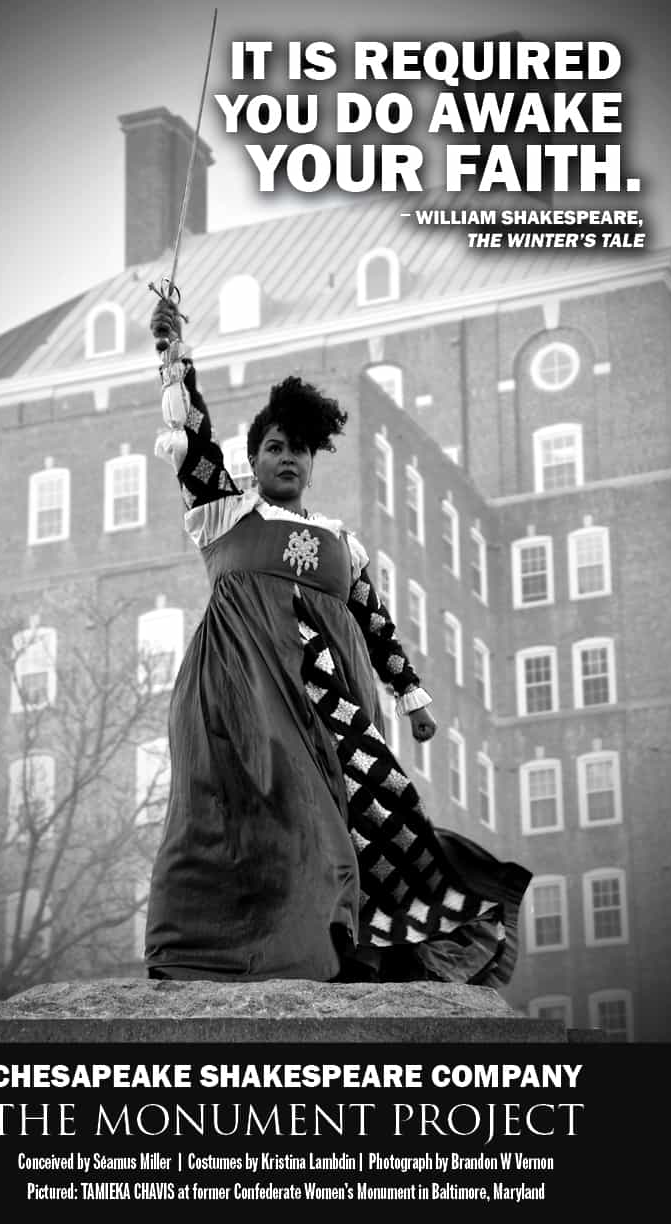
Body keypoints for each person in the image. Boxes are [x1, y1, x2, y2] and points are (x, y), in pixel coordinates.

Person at [145, 296, 530, 985]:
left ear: (312, 461)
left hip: (337, 704)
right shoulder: (222, 514)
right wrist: (175, 357)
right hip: (246, 696)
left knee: (376, 813)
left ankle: (359, 946)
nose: (286, 458)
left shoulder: (340, 543)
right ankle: (226, 951)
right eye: (273, 447)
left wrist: (411, 697)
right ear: (253, 460)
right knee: (261, 817)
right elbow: (195, 438)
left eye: (297, 449)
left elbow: (375, 621)